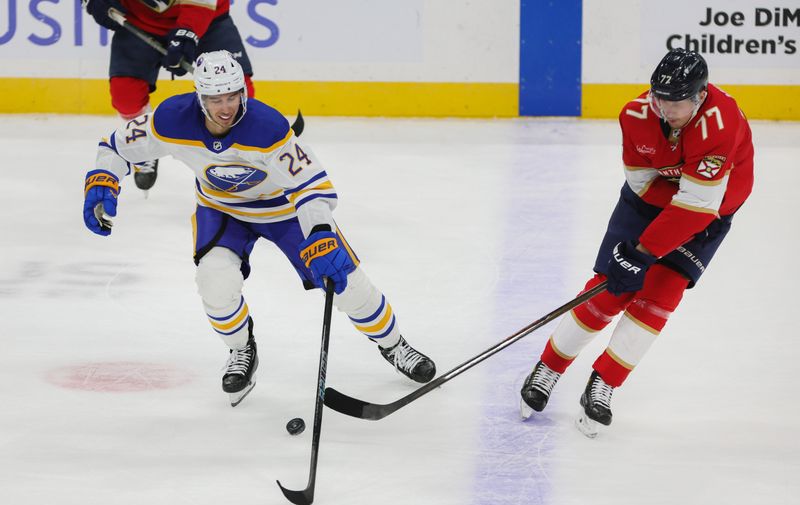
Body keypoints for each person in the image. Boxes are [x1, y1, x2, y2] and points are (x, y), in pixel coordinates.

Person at [82, 50, 437, 406]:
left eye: (232, 96)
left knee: (347, 282)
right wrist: (103, 176)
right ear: (199, 97)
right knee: (214, 282)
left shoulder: (267, 128)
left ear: (243, 92)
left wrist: (320, 234)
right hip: (221, 209)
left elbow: (310, 185)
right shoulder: (171, 119)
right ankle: (241, 350)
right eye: (215, 98)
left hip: (284, 211)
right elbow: (115, 146)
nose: (226, 107)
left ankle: (395, 346)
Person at [519, 48, 754, 437]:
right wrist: (639, 252)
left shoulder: (721, 123)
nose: (665, 108)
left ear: (699, 95)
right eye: (660, 97)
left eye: (676, 101)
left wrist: (644, 252)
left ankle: (605, 383)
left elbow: (698, 205)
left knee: (660, 296)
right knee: (610, 288)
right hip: (649, 205)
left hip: (709, 214)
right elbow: (642, 184)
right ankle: (549, 366)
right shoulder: (636, 115)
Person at [83, 0, 256, 192]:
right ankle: (144, 145)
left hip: (208, 16)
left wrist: (188, 31)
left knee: (241, 91)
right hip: (140, 18)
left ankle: (244, 150)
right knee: (125, 96)